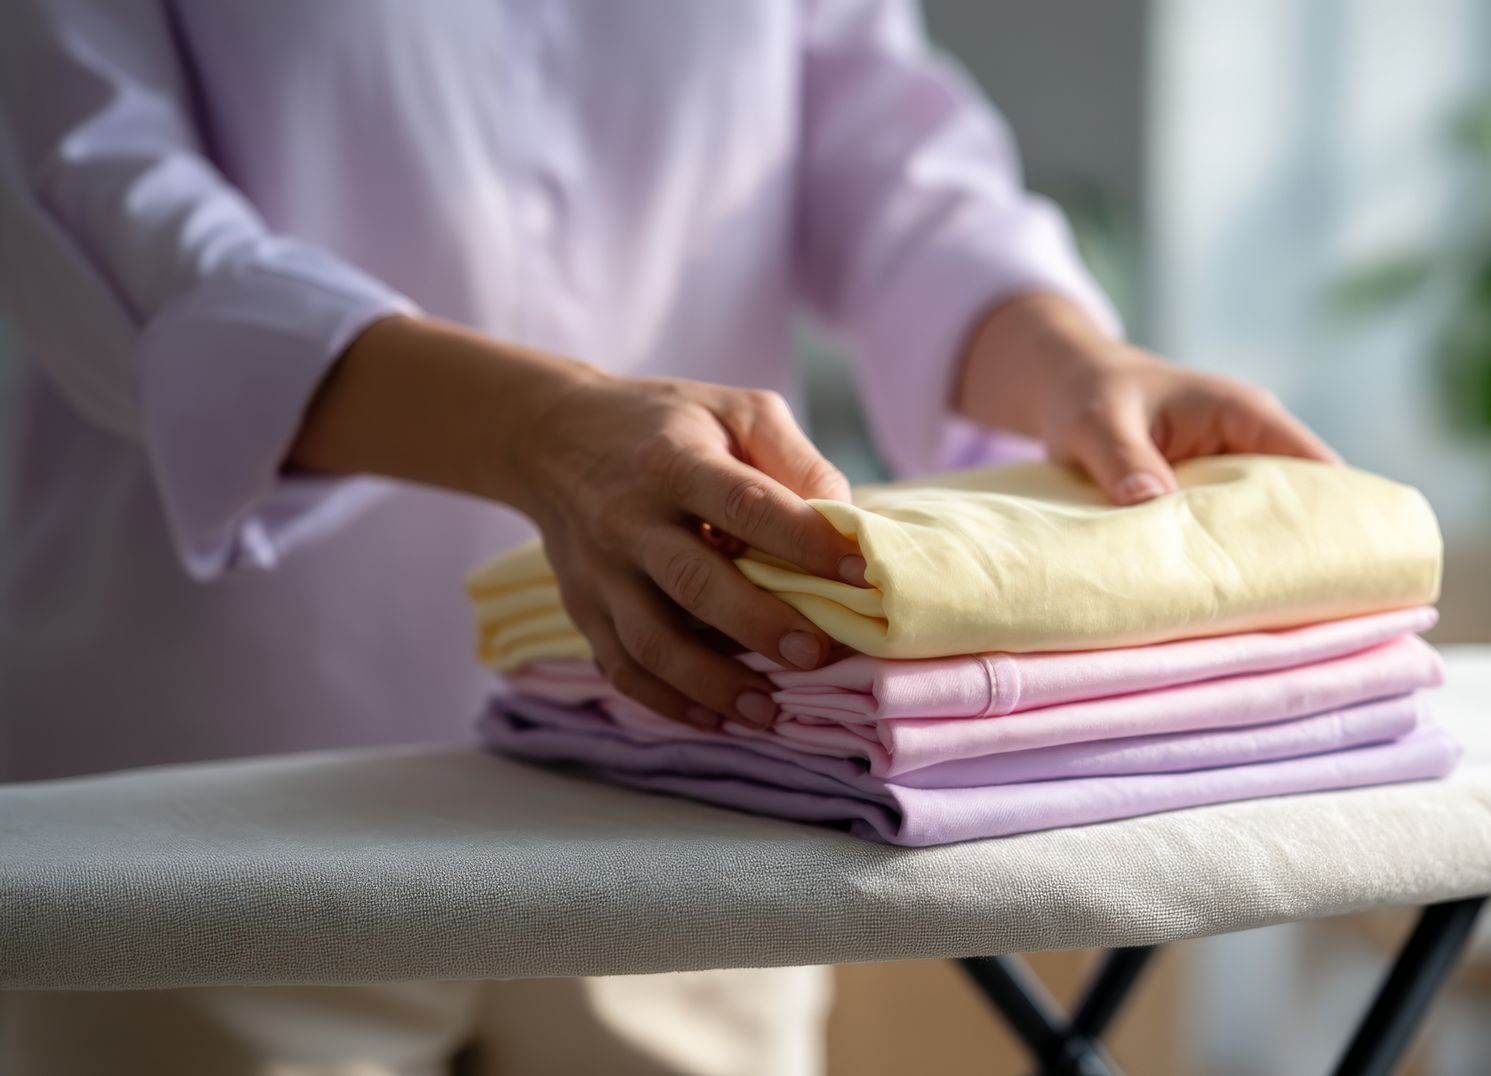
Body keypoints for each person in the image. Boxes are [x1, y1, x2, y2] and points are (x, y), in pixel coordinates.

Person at [0, 2, 1337, 1073]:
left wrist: (1067, 359)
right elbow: (101, 206)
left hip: (708, 777)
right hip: (227, 789)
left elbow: (876, 146)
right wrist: (541, 434)